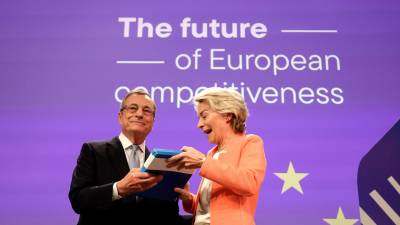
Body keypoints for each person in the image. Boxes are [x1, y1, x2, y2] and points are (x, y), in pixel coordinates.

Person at [69, 88, 188, 225]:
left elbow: (169, 219)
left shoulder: (163, 165)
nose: (139, 114)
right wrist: (118, 188)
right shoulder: (94, 151)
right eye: (133, 108)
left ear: (153, 121)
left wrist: (198, 208)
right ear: (120, 116)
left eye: (147, 111)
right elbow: (77, 200)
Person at [167, 87, 267, 225]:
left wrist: (203, 162)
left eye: (204, 116)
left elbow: (249, 183)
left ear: (227, 115)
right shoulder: (212, 154)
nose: (199, 124)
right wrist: (189, 199)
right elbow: (212, 207)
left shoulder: (250, 142)